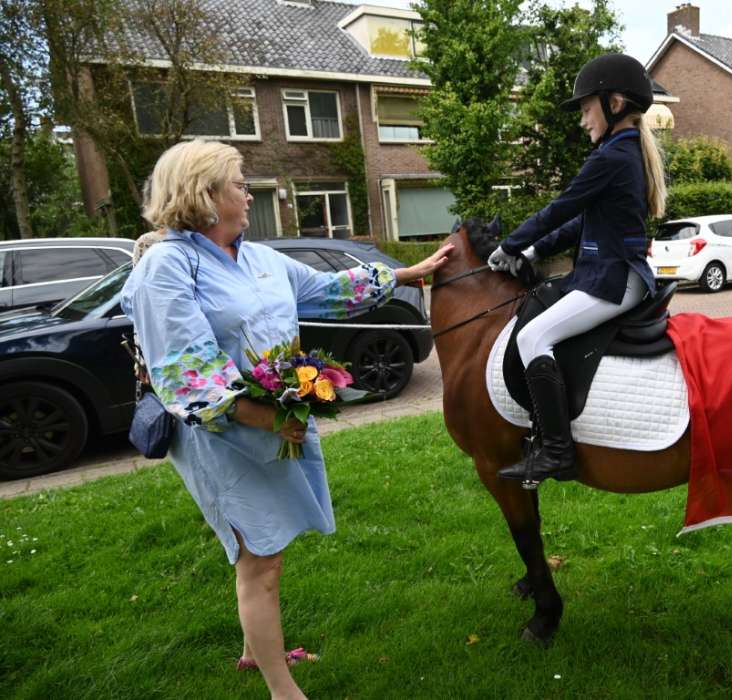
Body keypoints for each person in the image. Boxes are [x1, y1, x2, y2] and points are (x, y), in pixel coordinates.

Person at [121, 140, 451, 700]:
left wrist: (406, 274)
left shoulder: (257, 257)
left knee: (264, 544)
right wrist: (268, 419)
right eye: (239, 184)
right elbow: (186, 371)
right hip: (222, 435)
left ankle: (257, 649)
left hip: (276, 421)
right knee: (261, 558)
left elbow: (325, 292)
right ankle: (282, 688)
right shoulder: (166, 267)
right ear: (205, 193)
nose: (249, 194)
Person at [486, 54, 666, 487]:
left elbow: (561, 207)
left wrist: (509, 245)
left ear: (614, 104)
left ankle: (557, 452)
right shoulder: (621, 152)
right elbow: (579, 222)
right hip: (607, 274)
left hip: (614, 279)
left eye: (586, 109)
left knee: (532, 337)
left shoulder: (612, 157)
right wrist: (532, 251)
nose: (583, 120)